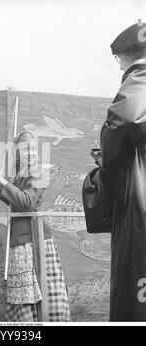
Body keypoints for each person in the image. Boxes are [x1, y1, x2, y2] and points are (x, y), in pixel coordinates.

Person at [0, 131, 70, 322]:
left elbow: (26, 202)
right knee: (26, 293)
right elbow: (15, 200)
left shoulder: (39, 171)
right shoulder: (20, 173)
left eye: (33, 148)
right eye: (25, 149)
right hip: (21, 239)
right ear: (18, 152)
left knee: (42, 288)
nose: (30, 152)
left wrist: (3, 183)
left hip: (35, 238)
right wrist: (0, 187)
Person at [96, 20, 146, 321]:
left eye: (120, 59)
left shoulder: (139, 77)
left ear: (129, 54)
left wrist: (106, 156)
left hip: (138, 205)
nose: (119, 67)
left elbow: (124, 120)